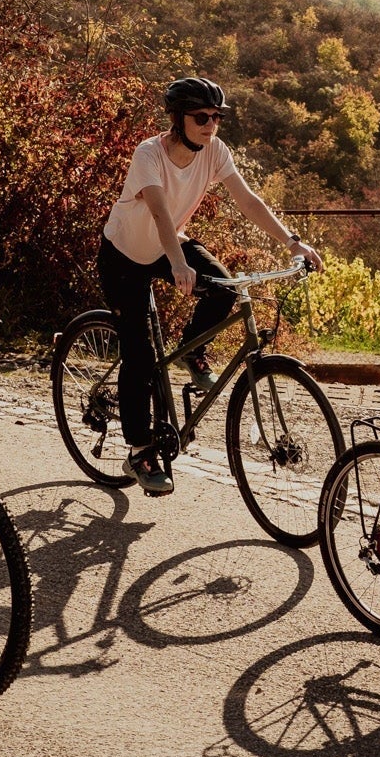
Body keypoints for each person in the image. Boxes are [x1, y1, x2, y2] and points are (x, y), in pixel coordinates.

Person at [97, 76, 322, 495]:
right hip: (124, 255)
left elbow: (248, 200)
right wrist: (179, 264)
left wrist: (293, 241)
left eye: (217, 117)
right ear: (177, 118)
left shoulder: (215, 151)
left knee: (224, 286)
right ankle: (140, 449)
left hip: (168, 247)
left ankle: (192, 350)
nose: (211, 124)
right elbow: (161, 212)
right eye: (201, 116)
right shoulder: (150, 154)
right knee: (140, 354)